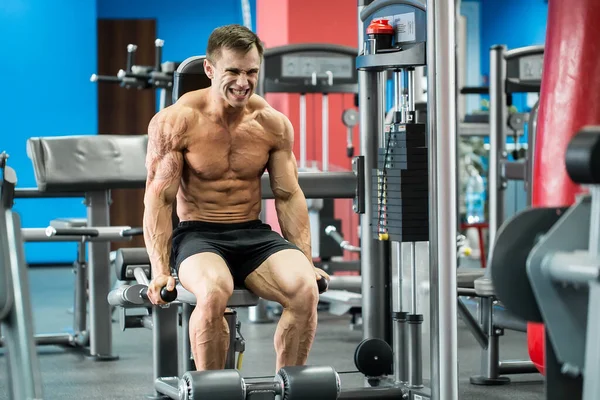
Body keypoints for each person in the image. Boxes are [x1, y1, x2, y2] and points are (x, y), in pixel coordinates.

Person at [142, 24, 330, 373]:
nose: (243, 82)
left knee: (305, 290)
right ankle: (213, 391)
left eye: (251, 72)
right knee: (214, 292)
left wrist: (306, 259)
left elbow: (288, 196)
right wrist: (159, 270)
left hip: (254, 233)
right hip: (199, 234)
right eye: (233, 71)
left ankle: (287, 389)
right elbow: (159, 199)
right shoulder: (176, 122)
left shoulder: (272, 124)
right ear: (210, 70)